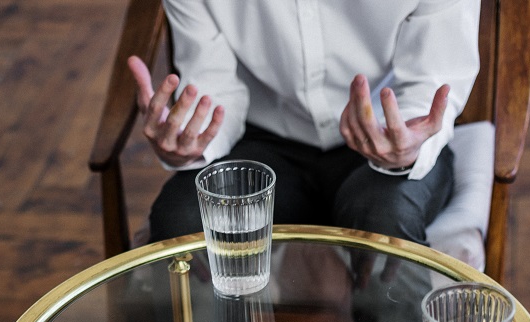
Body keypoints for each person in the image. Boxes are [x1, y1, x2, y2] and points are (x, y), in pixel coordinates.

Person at [129, 0, 481, 246]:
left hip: (383, 136)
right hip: (263, 139)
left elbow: (430, 79)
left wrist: (404, 140)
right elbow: (213, 83)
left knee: (387, 217)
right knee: (181, 218)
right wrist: (191, 139)